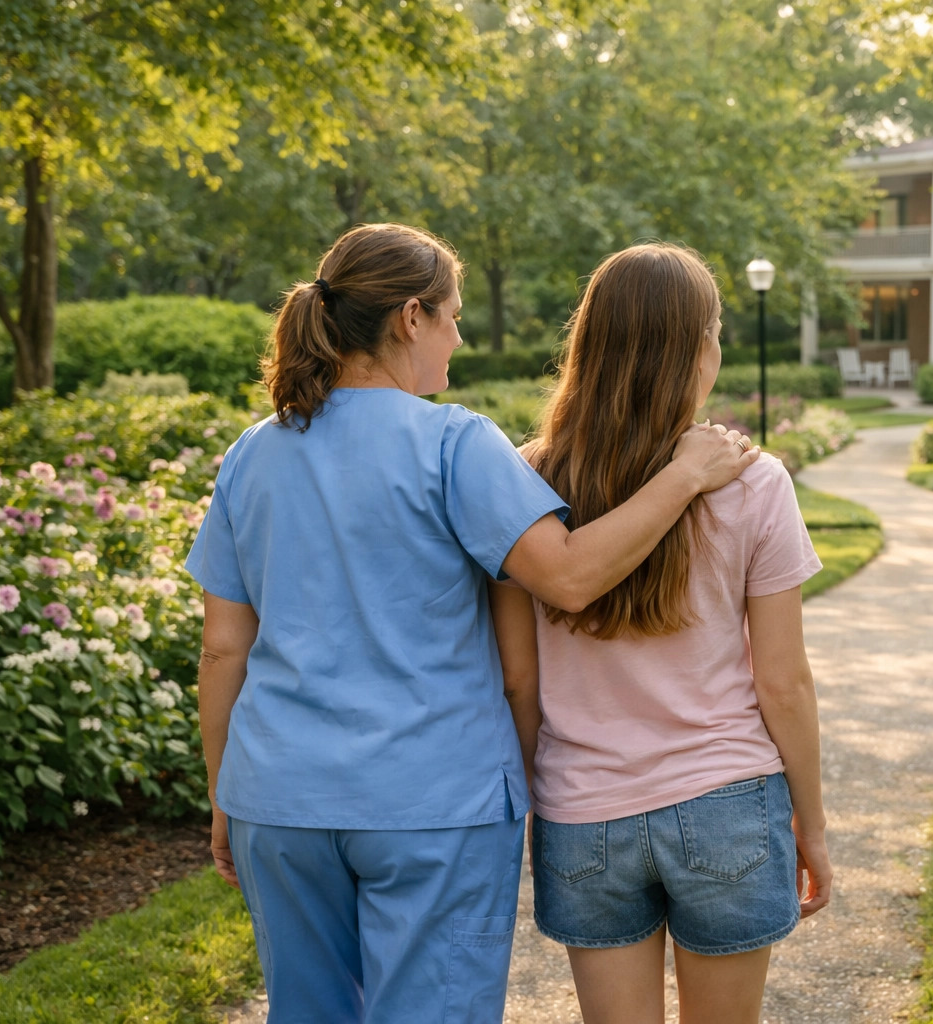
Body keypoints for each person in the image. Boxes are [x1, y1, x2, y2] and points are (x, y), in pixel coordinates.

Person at [188, 224, 759, 1024]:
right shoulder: (455, 443)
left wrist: (226, 793)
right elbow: (565, 579)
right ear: (410, 318)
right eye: (453, 317)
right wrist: (685, 474)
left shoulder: (254, 452)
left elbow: (223, 648)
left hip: (278, 800)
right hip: (435, 803)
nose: (460, 337)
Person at [492, 242, 832, 1024]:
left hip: (583, 812)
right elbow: (783, 682)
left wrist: (526, 813)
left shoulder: (525, 478)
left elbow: (519, 681)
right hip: (728, 800)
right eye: (713, 329)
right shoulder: (754, 481)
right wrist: (809, 822)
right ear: (694, 349)